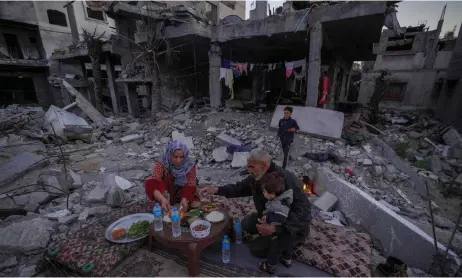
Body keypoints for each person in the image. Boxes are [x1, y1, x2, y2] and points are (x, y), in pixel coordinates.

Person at [199, 149, 311, 274]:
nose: (248, 170)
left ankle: (289, 246)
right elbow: (238, 188)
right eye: (248, 166)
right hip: (269, 215)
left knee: (257, 249)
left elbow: (304, 215)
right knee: (245, 224)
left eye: (251, 167)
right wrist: (216, 190)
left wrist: (275, 229)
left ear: (264, 165)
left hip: (289, 226)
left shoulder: (286, 180)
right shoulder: (257, 177)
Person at [145, 141, 199, 212]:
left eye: (181, 157)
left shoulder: (189, 165)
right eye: (175, 157)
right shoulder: (163, 163)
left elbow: (191, 184)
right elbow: (153, 181)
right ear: (170, 155)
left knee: (194, 203)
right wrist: (162, 199)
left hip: (181, 189)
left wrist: (185, 198)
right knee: (159, 204)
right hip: (166, 191)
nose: (179, 160)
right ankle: (165, 203)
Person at [258, 172, 294, 274]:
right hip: (289, 231)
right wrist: (267, 215)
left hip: (283, 231)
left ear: (272, 194)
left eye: (264, 192)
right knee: (287, 245)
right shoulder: (278, 199)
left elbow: (280, 218)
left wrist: (268, 220)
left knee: (276, 248)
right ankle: (287, 260)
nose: (263, 194)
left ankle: (269, 266)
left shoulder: (280, 205)